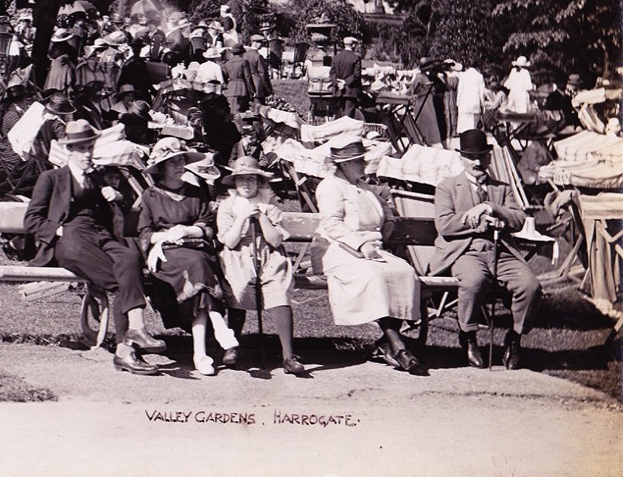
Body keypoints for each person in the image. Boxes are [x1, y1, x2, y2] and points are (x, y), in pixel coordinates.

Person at [24, 121, 168, 376]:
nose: (86, 153)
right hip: (70, 240)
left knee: (130, 257)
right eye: (80, 148)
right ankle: (129, 347)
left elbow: (114, 219)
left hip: (99, 236)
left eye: (89, 147)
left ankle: (132, 336)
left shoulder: (98, 178)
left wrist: (116, 197)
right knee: (126, 279)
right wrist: (57, 231)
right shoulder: (52, 178)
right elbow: (32, 220)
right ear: (69, 151)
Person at [431, 129, 544, 369]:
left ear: (489, 157)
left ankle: (514, 338)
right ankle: (468, 336)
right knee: (473, 282)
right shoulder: (447, 187)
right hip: (465, 251)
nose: (477, 162)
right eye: (471, 157)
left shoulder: (501, 189)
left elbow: (518, 219)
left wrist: (489, 206)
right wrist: (478, 220)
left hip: (500, 251)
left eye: (482, 156)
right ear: (460, 158)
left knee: (530, 285)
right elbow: (445, 225)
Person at [316, 133, 424, 374]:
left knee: (405, 272)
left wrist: (389, 221)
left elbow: (384, 209)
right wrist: (360, 245)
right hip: (338, 251)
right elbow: (332, 225)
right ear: (344, 164)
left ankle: (385, 343)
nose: (364, 164)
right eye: (359, 161)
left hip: (371, 250)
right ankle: (399, 346)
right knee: (374, 277)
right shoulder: (330, 186)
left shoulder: (363, 187)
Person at [139, 138, 239, 376]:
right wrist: (164, 237)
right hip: (167, 255)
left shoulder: (195, 192)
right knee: (199, 269)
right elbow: (144, 232)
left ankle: (200, 352)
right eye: (172, 162)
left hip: (196, 248)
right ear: (162, 167)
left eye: (181, 160)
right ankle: (217, 327)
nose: (178, 165)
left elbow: (207, 225)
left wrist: (187, 230)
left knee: (199, 272)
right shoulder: (150, 195)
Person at [215, 156, 307, 376]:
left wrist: (261, 216)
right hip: (238, 254)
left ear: (259, 182)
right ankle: (232, 346)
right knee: (239, 285)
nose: (246, 184)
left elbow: (275, 240)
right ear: (234, 184)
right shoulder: (228, 206)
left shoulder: (269, 206)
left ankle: (288, 355)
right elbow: (229, 241)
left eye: (251, 179)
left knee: (279, 288)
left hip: (269, 254)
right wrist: (243, 217)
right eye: (241, 180)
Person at [331, 36, 363, 119]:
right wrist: (345, 82)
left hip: (338, 91)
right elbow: (356, 75)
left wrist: (337, 83)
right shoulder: (356, 58)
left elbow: (332, 73)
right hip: (350, 91)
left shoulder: (336, 58)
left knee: (338, 115)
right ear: (353, 45)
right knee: (348, 117)